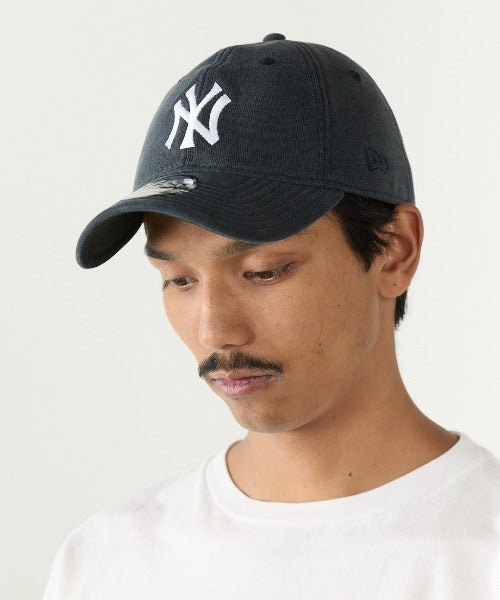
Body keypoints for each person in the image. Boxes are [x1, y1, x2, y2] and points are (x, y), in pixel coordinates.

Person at [43, 33, 500, 599]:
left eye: (264, 272)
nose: (214, 332)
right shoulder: (104, 565)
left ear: (395, 252)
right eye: (179, 280)